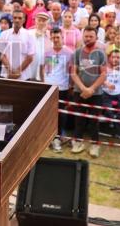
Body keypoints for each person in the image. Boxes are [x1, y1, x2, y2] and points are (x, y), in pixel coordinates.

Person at [70, 26, 106, 157]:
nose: (88, 39)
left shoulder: (101, 53)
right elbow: (73, 73)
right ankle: (78, 142)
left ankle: (95, 145)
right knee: (78, 119)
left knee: (94, 121)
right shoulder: (77, 53)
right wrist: (83, 88)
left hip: (96, 93)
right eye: (86, 36)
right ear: (83, 37)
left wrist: (91, 89)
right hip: (79, 92)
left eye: (91, 36)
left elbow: (103, 74)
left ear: (96, 37)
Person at [44, 28, 73, 152]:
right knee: (48, 113)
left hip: (63, 88)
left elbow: (71, 71)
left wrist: (71, 86)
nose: (55, 40)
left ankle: (58, 137)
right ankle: (49, 138)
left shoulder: (69, 53)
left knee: (61, 114)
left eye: (58, 37)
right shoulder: (47, 52)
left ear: (62, 38)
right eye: (53, 37)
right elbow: (46, 69)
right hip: (49, 86)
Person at [0, 10, 36, 80]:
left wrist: (18, 71)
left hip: (24, 76)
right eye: (15, 18)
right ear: (12, 19)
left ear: (24, 20)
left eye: (20, 18)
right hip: (7, 74)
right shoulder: (3, 34)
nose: (17, 20)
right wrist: (10, 71)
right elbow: (2, 55)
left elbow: (30, 57)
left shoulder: (30, 35)